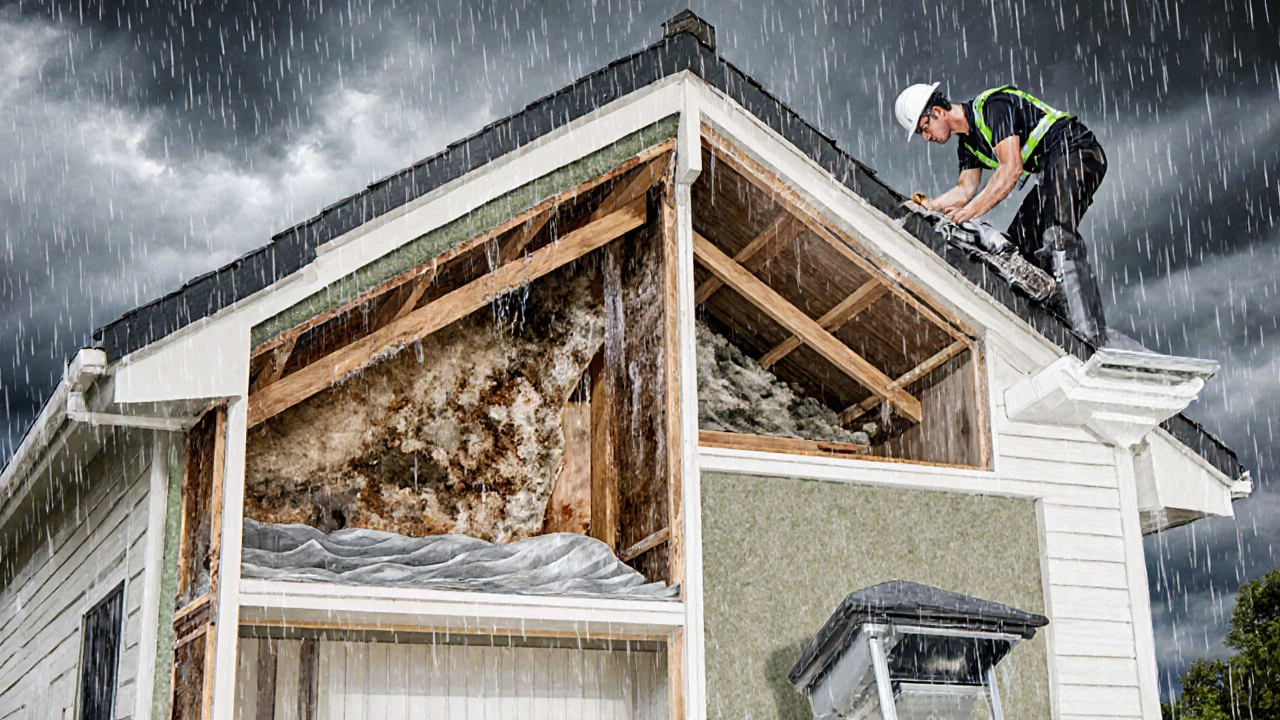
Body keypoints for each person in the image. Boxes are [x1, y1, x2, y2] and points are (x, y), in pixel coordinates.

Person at [894, 82, 1109, 346]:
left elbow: (1011, 168)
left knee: (1055, 233)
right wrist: (931, 206)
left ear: (937, 111)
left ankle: (1091, 335)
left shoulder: (992, 108)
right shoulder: (967, 146)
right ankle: (1060, 327)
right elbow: (965, 190)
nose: (926, 137)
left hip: (1077, 151)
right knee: (1020, 250)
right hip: (1053, 169)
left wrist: (970, 212)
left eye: (925, 128)